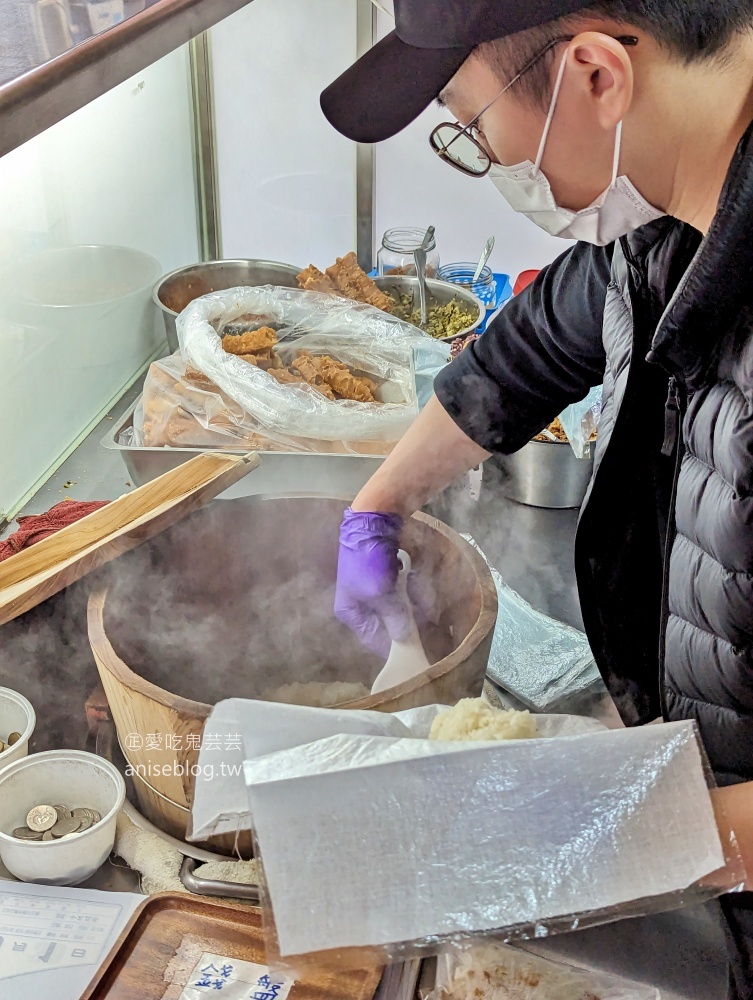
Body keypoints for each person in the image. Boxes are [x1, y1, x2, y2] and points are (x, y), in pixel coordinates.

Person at [320, 1, 753, 995]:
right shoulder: (663, 217)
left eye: (471, 130)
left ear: (595, 74)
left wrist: (613, 831)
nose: (483, 157)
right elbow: (535, 344)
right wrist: (378, 504)